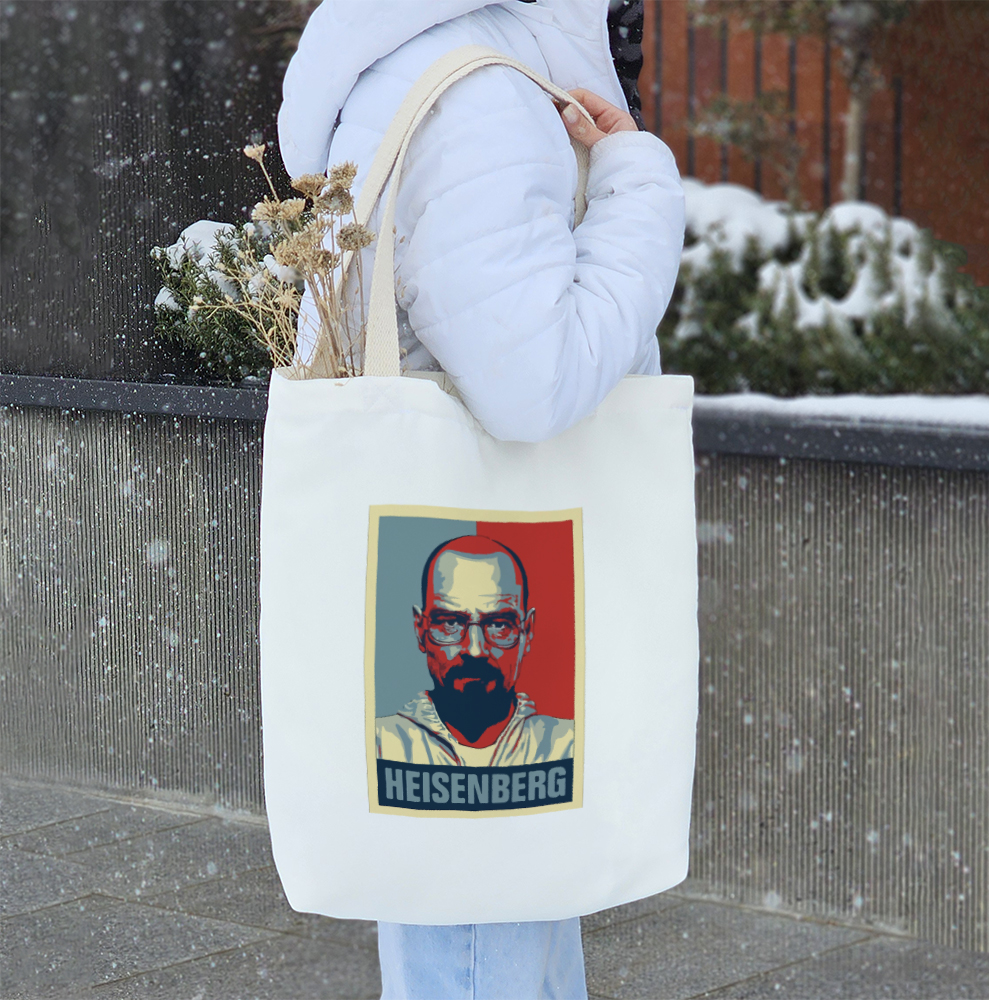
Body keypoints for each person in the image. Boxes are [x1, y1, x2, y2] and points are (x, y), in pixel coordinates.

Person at [278, 1, 684, 996]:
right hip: (493, 512)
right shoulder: (480, 95)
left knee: (489, 906)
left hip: (445, 522)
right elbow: (532, 384)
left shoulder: (432, 61)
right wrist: (637, 185)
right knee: (483, 924)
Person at [376, 535, 574, 767]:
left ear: (527, 632)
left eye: (499, 624)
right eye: (450, 622)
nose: (475, 650)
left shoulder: (569, 748)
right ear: (420, 629)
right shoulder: (379, 747)